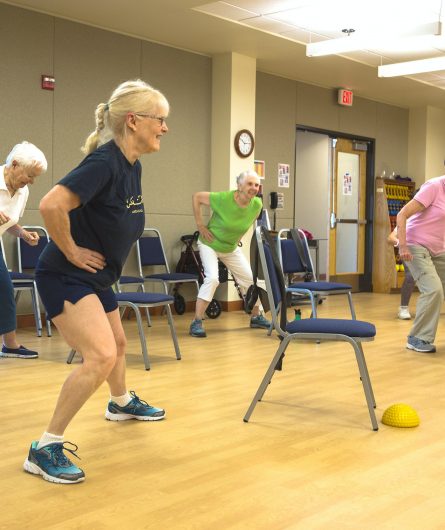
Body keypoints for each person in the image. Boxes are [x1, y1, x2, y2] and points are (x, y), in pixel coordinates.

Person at [23, 80, 169, 484]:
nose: (165, 128)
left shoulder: (130, 165)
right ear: (134, 121)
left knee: (119, 346)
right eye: (161, 119)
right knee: (101, 356)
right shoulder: (104, 163)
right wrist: (70, 250)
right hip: (66, 275)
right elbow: (51, 204)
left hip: (97, 276)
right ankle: (44, 447)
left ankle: (120, 403)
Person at [190, 170, 271, 337]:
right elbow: (197, 197)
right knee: (212, 278)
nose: (254, 188)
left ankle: (256, 316)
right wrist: (201, 226)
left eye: (256, 185)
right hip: (210, 244)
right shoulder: (223, 199)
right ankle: (197, 321)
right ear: (239, 186)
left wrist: (237, 238)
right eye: (249, 184)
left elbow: (248, 222)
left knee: (251, 280)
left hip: (230, 248)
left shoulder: (257, 204)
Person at [0, 141, 47, 359]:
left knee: (4, 289)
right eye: (29, 175)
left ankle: (10, 345)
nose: (31, 181)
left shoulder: (22, 191)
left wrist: (24, 234)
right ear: (15, 164)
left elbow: (8, 223)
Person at [397, 177, 445, 353]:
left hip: (439, 248)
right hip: (415, 245)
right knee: (433, 289)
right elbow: (402, 214)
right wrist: (402, 246)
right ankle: (417, 338)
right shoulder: (434, 187)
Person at [387, 227, 415, 319]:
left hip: (434, 251)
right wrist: (402, 245)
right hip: (410, 251)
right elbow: (391, 238)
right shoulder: (408, 219)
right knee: (411, 275)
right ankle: (403, 307)